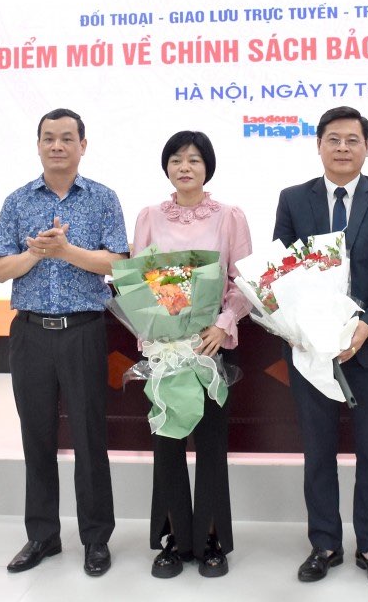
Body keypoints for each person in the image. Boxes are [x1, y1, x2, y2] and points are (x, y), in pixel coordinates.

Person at [273, 106, 368, 587]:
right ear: (319, 145)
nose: (343, 148)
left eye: (353, 140)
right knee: (318, 449)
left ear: (367, 147)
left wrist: (365, 327)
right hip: (313, 349)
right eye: (334, 139)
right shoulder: (293, 199)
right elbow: (282, 272)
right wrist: (309, 331)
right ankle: (324, 543)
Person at [0, 108, 128, 577]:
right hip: (29, 333)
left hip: (84, 331)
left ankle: (95, 539)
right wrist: (34, 252)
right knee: (37, 436)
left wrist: (66, 251)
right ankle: (43, 535)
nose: (57, 146)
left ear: (83, 145)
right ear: (38, 144)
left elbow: (116, 264)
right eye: (48, 138)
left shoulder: (103, 199)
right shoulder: (17, 201)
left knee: (90, 437)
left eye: (67, 138)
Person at [134, 131, 253, 579]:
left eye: (195, 160)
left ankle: (210, 540)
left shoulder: (229, 217)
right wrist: (154, 332)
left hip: (208, 347)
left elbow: (244, 282)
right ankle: (172, 542)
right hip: (165, 350)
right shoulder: (148, 216)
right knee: (166, 446)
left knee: (210, 445)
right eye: (177, 159)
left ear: (208, 167)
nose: (185, 167)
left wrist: (222, 326)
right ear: (167, 166)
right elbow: (138, 280)